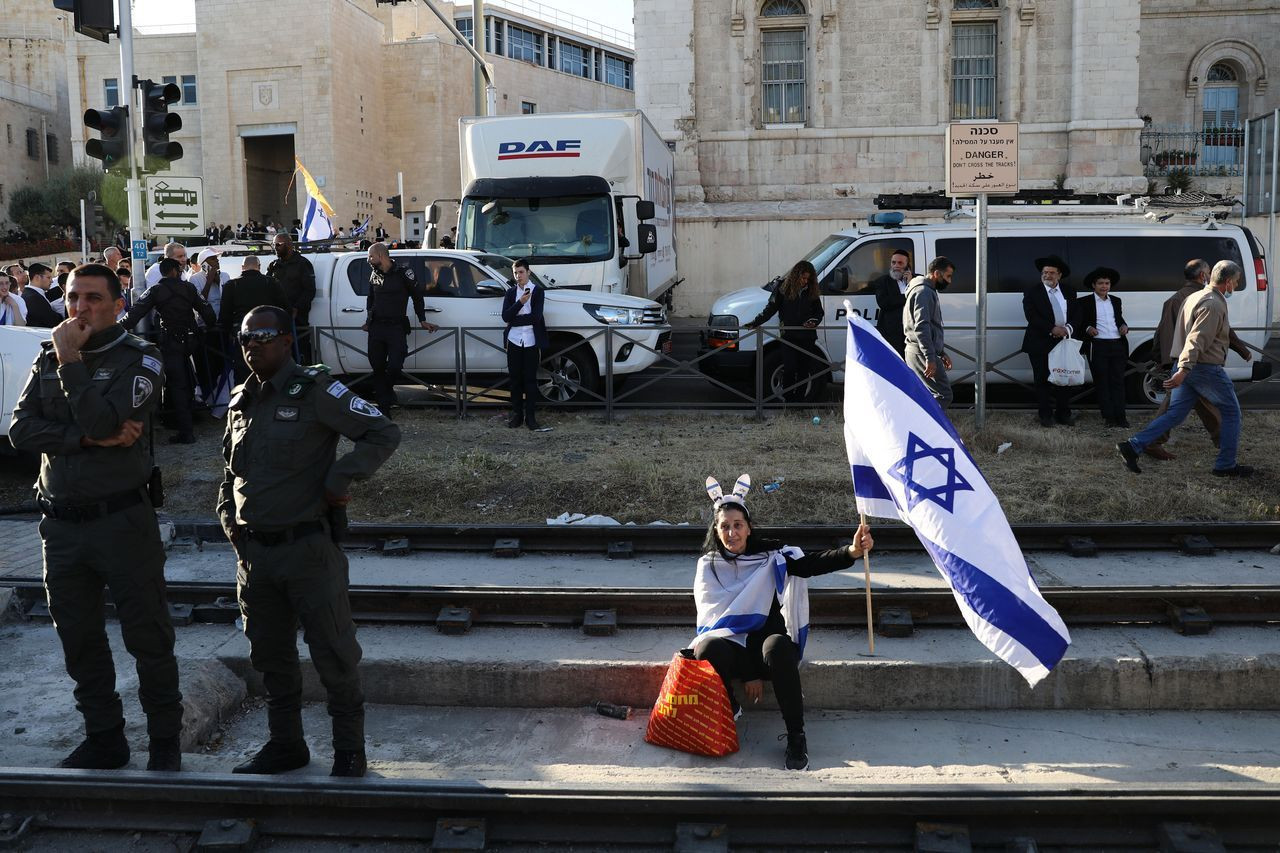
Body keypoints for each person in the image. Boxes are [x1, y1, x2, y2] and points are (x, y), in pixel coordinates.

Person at [8, 263, 183, 771]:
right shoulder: (47, 357)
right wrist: (84, 441)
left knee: (147, 636)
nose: (78, 308)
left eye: (90, 298)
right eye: (71, 297)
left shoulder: (141, 359)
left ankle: (165, 744)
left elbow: (106, 418)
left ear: (117, 305)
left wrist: (70, 364)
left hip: (121, 522)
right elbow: (21, 431)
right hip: (60, 525)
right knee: (79, 640)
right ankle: (105, 739)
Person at [218, 306, 401, 777]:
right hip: (255, 556)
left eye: (262, 335)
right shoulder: (241, 398)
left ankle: (348, 751)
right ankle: (286, 745)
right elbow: (230, 471)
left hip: (307, 550)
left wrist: (340, 477)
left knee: (334, 653)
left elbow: (382, 432)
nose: (251, 344)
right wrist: (229, 520)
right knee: (270, 657)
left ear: (286, 340)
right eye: (244, 337)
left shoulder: (315, 390)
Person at [692, 475, 874, 771]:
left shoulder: (770, 558)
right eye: (724, 526)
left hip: (769, 654)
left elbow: (810, 564)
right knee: (707, 647)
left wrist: (851, 552)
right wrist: (748, 674)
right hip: (732, 655)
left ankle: (796, 736)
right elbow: (713, 627)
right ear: (716, 529)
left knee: (778, 644)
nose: (732, 532)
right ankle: (729, 706)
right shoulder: (708, 567)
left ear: (749, 528)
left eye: (738, 525)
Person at [1118, 260, 1253, 477]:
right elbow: (1196, 340)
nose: (1235, 287)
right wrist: (1184, 369)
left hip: (1188, 367)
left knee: (1175, 414)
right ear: (1227, 282)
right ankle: (1225, 465)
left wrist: (1181, 368)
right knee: (1231, 413)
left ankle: (1133, 445)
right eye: (1236, 283)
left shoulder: (1194, 297)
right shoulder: (1212, 303)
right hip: (1204, 368)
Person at [121, 257, 216, 444]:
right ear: (173, 271)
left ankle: (185, 431)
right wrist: (205, 329)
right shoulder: (189, 288)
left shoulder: (156, 290)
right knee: (186, 382)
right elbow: (208, 313)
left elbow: (133, 316)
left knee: (178, 384)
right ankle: (186, 424)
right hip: (191, 340)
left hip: (171, 343)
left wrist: (113, 329)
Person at [362, 242, 437, 412]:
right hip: (376, 328)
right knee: (378, 368)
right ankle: (384, 409)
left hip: (396, 328)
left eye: (371, 256)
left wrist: (422, 319)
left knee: (395, 366)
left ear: (381, 256)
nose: (368, 260)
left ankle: (386, 393)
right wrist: (368, 320)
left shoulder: (404, 273)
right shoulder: (374, 274)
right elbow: (371, 298)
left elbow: (417, 297)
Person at [743, 260, 824, 404]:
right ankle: (789, 400)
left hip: (807, 336)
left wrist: (813, 321)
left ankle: (798, 403)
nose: (805, 281)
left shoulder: (811, 289)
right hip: (789, 336)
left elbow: (819, 312)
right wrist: (756, 322)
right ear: (795, 275)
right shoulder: (782, 288)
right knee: (790, 368)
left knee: (804, 371)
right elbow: (771, 309)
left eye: (808, 279)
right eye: (803, 278)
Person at [1022, 254, 1077, 427]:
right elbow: (1031, 316)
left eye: (1052, 273)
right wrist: (1052, 329)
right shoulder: (1032, 291)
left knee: (1064, 380)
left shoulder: (1069, 291)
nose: (1047, 276)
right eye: (1045, 272)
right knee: (1042, 380)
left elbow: (1077, 313)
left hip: (1063, 342)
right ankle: (1045, 416)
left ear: (1059, 275)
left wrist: (1067, 329)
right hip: (1040, 342)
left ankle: (1064, 414)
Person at [1074, 267, 1129, 427]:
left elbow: (1118, 319)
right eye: (1100, 283)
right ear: (1093, 285)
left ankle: (1121, 416)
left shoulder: (1116, 300)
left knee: (1118, 381)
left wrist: (1124, 325)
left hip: (1117, 344)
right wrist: (1087, 329)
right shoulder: (1083, 302)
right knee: (1102, 382)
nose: (1104, 286)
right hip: (1097, 346)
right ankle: (1109, 417)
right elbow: (1079, 323)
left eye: (1107, 283)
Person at [220, 256, 288, 383]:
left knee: (243, 371)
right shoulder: (272, 282)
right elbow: (284, 309)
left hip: (244, 334)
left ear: (242, 267)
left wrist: (228, 332)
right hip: (269, 333)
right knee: (271, 367)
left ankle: (245, 398)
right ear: (259, 267)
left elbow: (225, 315)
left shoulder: (231, 285)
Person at [501, 258, 550, 431]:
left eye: (521, 272)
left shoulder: (538, 292)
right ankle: (517, 416)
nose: (518, 276)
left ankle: (531, 418)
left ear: (528, 272)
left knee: (530, 380)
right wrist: (520, 303)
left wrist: (516, 320)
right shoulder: (510, 293)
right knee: (514, 380)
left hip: (530, 340)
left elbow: (536, 318)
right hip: (513, 340)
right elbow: (506, 317)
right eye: (515, 273)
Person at [903, 257, 955, 408]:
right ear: (937, 273)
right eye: (948, 276)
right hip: (920, 352)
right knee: (944, 395)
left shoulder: (924, 289)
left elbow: (930, 327)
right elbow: (922, 327)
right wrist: (930, 358)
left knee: (925, 395)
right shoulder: (924, 292)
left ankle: (919, 427)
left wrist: (941, 352)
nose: (949, 281)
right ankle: (923, 428)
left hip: (919, 351)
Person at [267, 233, 316, 363]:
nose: (275, 247)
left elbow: (310, 290)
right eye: (273, 244)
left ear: (289, 245)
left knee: (301, 353)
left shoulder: (303, 264)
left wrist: (297, 308)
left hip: (297, 320)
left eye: (278, 244)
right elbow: (267, 288)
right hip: (277, 320)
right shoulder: (274, 265)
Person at [871, 249, 912, 356]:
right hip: (891, 334)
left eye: (900, 263)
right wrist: (907, 296)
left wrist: (910, 284)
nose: (896, 266)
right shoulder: (882, 281)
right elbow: (884, 302)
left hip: (912, 333)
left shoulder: (916, 280)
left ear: (907, 265)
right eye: (893, 262)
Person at [21, 262, 62, 328]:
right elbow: (52, 321)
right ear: (37, 277)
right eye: (48, 278)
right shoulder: (33, 298)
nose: (51, 281)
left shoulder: (32, 294)